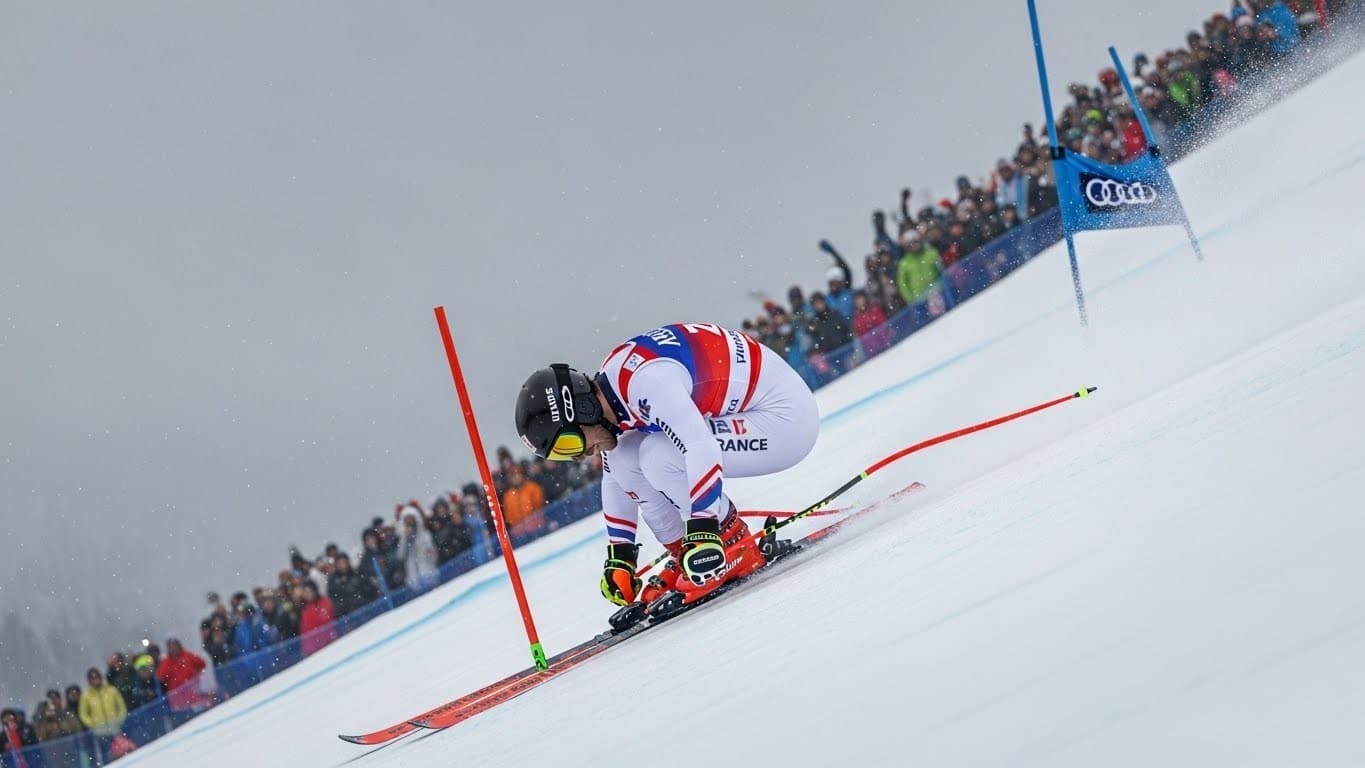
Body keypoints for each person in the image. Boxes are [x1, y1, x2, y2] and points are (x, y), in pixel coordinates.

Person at [514, 322, 819, 606]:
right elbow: (613, 478)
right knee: (624, 455)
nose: (578, 457)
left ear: (580, 408)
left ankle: (733, 542)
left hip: (786, 421)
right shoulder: (614, 392)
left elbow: (701, 447)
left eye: (570, 444)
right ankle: (685, 550)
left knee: (658, 456)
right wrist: (621, 556)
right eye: (561, 455)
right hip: (751, 415)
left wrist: (704, 529)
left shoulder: (647, 384)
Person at [77, 668, 126, 761]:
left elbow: (121, 706)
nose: (95, 680)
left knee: (122, 753)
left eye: (97, 677)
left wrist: (119, 720)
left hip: (115, 729)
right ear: (89, 680)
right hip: (100, 733)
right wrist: (93, 724)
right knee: (107, 757)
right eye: (92, 678)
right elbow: (83, 714)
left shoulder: (111, 690)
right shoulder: (86, 696)